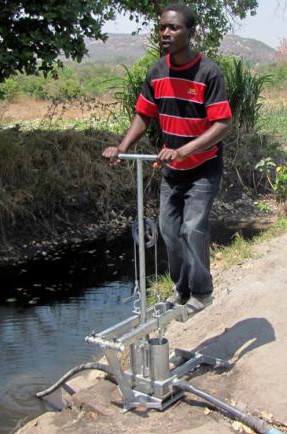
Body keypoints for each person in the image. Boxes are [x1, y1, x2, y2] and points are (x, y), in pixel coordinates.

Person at [102, 3, 232, 316]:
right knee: (169, 231)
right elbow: (143, 115)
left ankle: (202, 291)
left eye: (173, 27)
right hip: (172, 169)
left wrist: (185, 150)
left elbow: (222, 124)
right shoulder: (157, 72)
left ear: (191, 32)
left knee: (191, 228)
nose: (166, 33)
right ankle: (181, 289)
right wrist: (122, 146)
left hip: (203, 167)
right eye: (162, 27)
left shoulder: (208, 73)